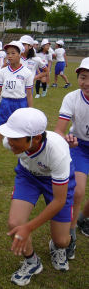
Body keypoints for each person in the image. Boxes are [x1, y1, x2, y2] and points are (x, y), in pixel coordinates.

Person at [0, 108, 74, 286]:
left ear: (37, 138)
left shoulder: (57, 151)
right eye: (9, 136)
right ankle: (32, 262)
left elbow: (59, 200)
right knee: (15, 224)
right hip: (28, 177)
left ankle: (57, 247)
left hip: (56, 181)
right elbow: (24, 160)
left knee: (62, 241)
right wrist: (20, 194)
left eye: (15, 138)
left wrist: (29, 227)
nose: (9, 142)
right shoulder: (9, 142)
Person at [0, 41, 34, 179]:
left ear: (20, 54)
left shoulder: (27, 73)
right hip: (5, 106)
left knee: (22, 141)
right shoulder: (2, 72)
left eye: (13, 53)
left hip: (20, 107)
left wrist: (31, 112)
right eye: (8, 53)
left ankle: (24, 167)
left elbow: (29, 94)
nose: (9, 56)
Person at [54, 57, 89, 258]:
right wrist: (67, 139)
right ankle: (72, 231)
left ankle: (84, 218)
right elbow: (59, 130)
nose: (86, 83)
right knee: (78, 192)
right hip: (80, 147)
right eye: (83, 77)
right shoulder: (72, 98)